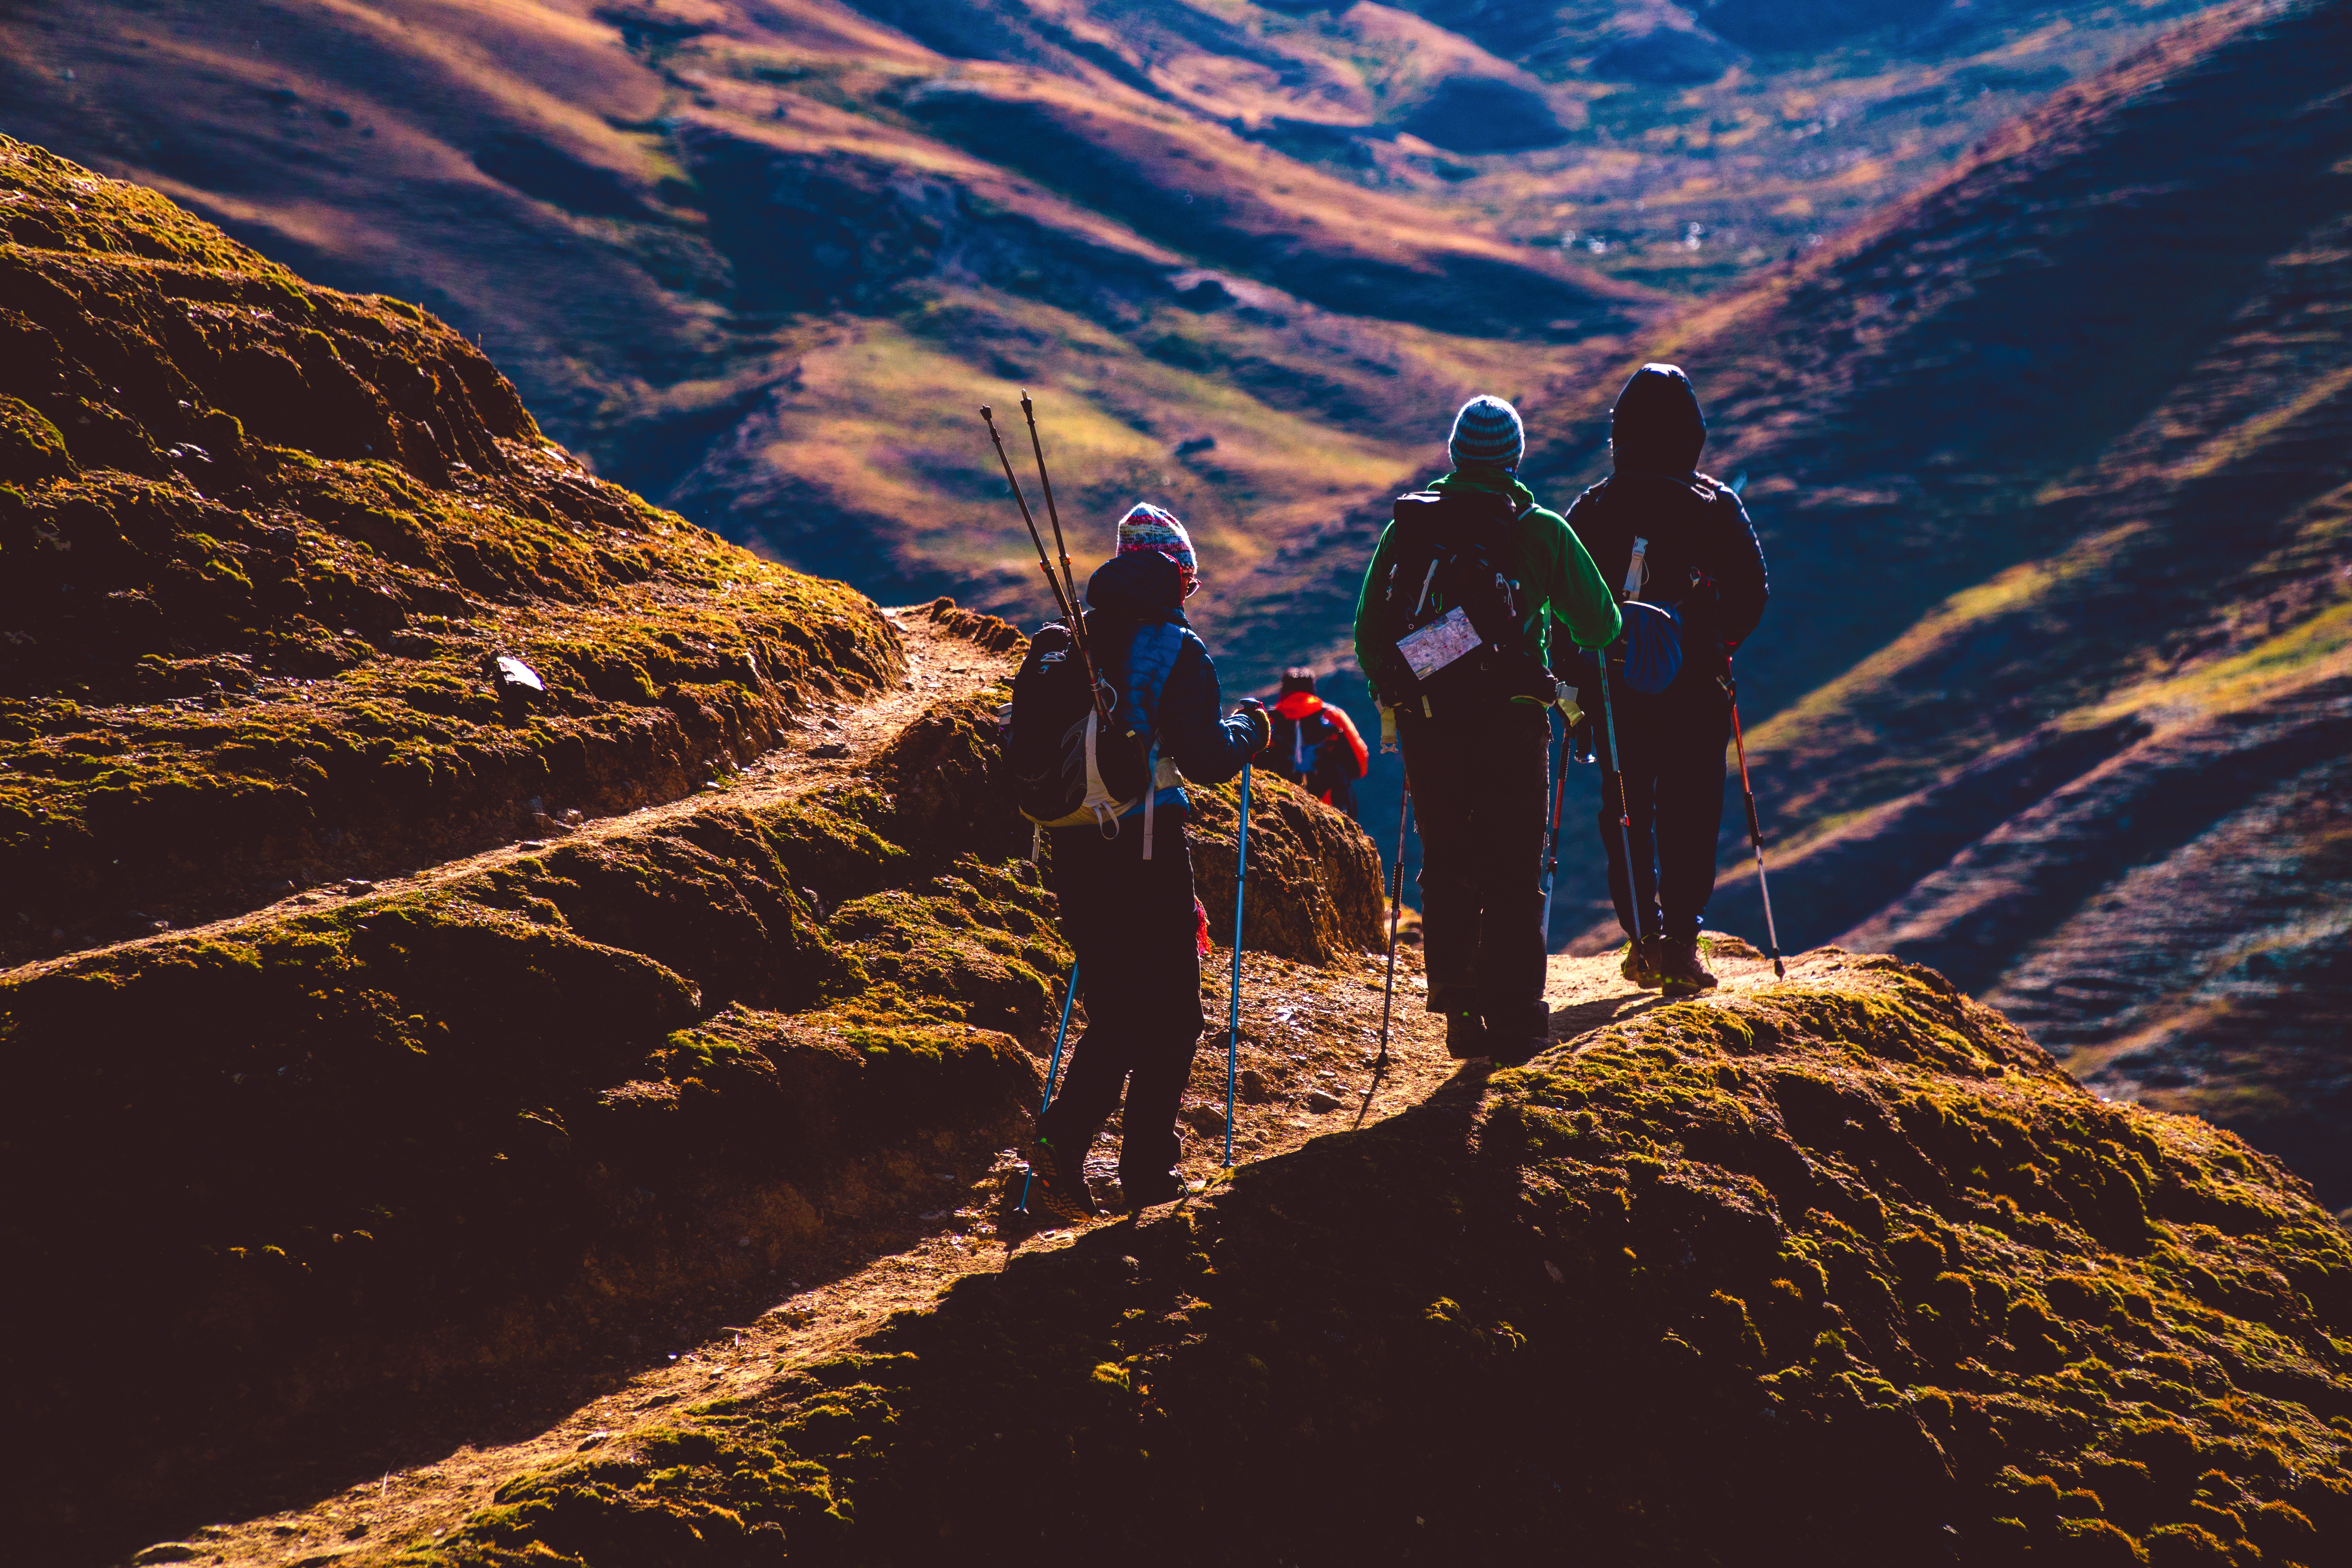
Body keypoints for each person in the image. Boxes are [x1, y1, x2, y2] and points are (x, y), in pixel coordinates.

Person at [1018, 503, 1270, 1221]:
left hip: (1073, 846)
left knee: (1119, 1010)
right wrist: (1250, 731)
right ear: (1177, 577)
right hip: (1147, 849)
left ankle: (1064, 1148)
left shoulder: (1069, 640)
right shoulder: (1175, 650)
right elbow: (1205, 758)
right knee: (1175, 1017)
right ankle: (1145, 1172)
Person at [1353, 396, 1619, 1065]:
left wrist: (1411, 685)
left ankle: (1457, 1000)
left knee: (1447, 859)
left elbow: (1368, 634)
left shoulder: (1409, 529)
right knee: (1512, 865)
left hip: (1429, 723)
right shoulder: (1542, 531)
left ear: (1454, 453)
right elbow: (1603, 626)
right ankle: (1518, 1017)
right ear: (1515, 458)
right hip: (1512, 722)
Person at [1561, 363, 1768, 995]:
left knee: (1626, 812)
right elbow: (1753, 593)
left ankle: (1643, 939)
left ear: (1619, 432)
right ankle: (1681, 942)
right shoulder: (1716, 507)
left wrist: (1578, 682)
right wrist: (1713, 647)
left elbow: (1564, 602)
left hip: (1618, 691)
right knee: (1691, 810)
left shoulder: (1594, 509)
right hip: (1697, 693)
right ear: (1693, 433)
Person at [1259, 668, 1369, 818]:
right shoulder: (1333, 717)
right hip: (1330, 807)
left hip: (1276, 804)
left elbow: (1247, 766)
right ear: (1313, 690)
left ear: (1283, 691)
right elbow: (1360, 766)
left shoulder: (1267, 721)